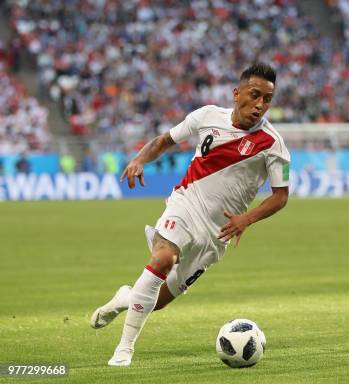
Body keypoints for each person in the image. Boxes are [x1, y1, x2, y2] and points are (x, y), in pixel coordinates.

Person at [90, 63, 290, 366]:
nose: (260, 105)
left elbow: (281, 196)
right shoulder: (206, 116)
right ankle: (124, 349)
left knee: (157, 301)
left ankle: (124, 299)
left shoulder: (273, 144)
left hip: (217, 234)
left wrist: (245, 219)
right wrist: (139, 159)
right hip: (185, 204)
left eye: (267, 99)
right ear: (237, 94)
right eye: (255, 95)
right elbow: (164, 141)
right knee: (162, 259)